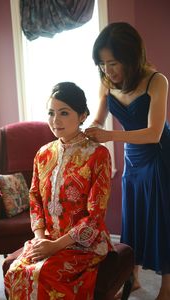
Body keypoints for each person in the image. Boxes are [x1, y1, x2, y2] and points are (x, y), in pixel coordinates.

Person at [84, 22, 170, 300]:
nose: (108, 70)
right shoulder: (106, 83)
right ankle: (131, 278)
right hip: (133, 157)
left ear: (132, 58)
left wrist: (108, 134)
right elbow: (98, 118)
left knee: (162, 221)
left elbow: (154, 132)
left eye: (113, 63)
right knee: (132, 217)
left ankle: (167, 287)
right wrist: (89, 129)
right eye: (102, 64)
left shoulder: (157, 80)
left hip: (159, 156)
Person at [4, 82, 113, 299]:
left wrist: (55, 246)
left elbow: (95, 215)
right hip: (47, 237)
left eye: (64, 112)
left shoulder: (97, 154)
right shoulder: (43, 154)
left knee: (46, 275)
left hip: (83, 243)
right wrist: (41, 238)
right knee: (16, 271)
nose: (55, 120)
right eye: (51, 113)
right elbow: (34, 197)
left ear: (82, 115)